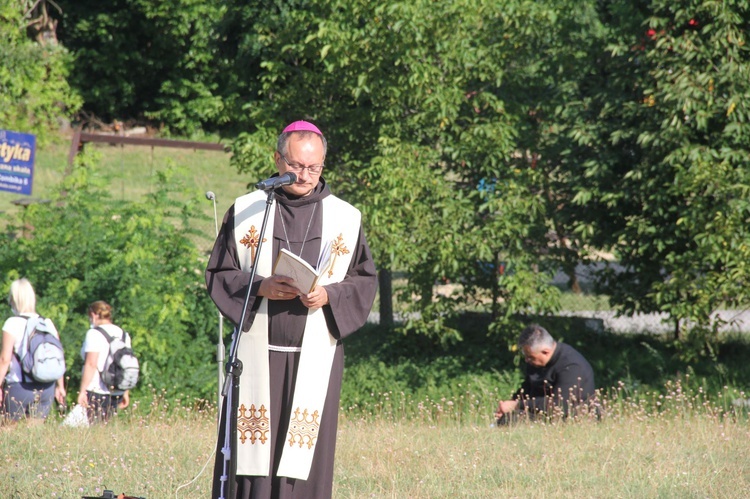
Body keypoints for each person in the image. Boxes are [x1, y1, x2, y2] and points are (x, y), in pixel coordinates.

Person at [205, 120, 378, 498]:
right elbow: (219, 272)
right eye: (297, 166)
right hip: (256, 356)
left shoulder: (346, 218)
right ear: (277, 160)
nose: (305, 175)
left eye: (314, 168)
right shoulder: (248, 210)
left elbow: (365, 281)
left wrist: (329, 296)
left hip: (316, 357)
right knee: (252, 457)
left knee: (305, 456)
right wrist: (261, 287)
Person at [495, 323, 596, 424]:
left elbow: (559, 406)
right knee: (508, 419)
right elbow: (526, 389)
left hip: (569, 417)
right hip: (541, 413)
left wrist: (517, 405)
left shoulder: (572, 366)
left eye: (530, 357)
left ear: (545, 352)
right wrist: (507, 406)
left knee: (512, 421)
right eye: (525, 356)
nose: (526, 360)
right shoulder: (536, 362)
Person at [0, 278, 66, 421]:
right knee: (34, 434)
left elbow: (5, 359)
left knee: (6, 431)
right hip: (47, 387)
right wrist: (60, 386)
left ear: (14, 299)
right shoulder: (47, 323)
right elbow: (57, 356)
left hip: (20, 386)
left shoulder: (12, 323)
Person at [76, 300, 130, 423]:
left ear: (94, 315)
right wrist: (125, 391)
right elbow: (125, 365)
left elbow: (91, 363)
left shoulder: (94, 334)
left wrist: (82, 391)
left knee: (94, 430)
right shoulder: (123, 334)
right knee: (103, 427)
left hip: (96, 389)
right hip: (117, 390)